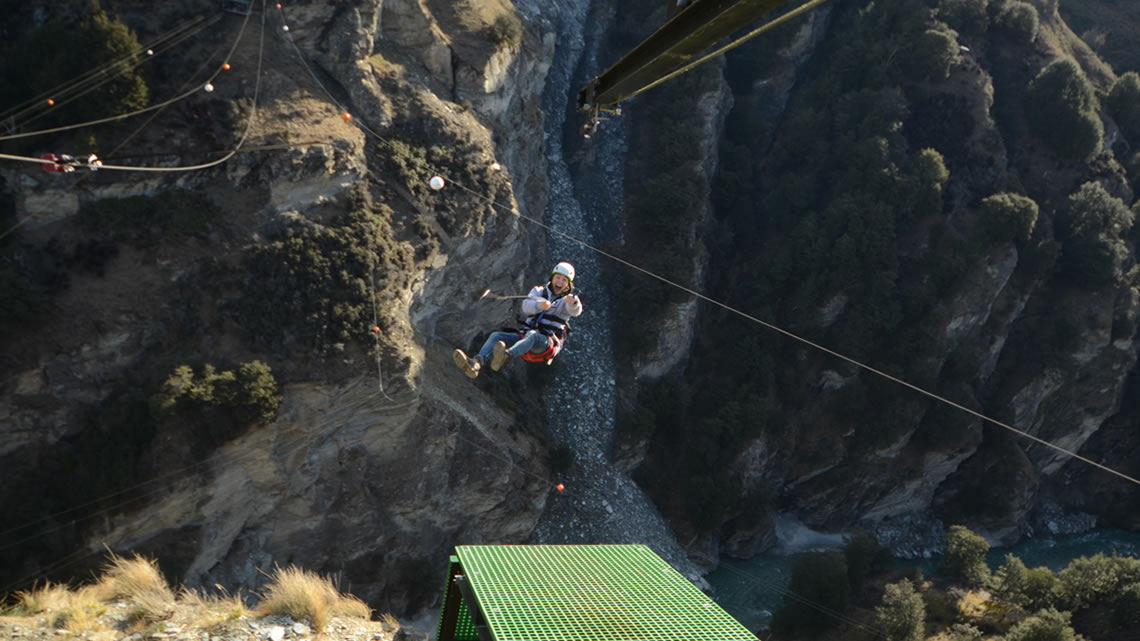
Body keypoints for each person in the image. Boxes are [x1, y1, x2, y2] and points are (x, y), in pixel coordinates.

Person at [454, 262, 583, 378]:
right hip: (525, 339)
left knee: (533, 335)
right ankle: (476, 363)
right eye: (558, 277)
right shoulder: (538, 291)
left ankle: (506, 356)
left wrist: (573, 303)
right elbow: (526, 307)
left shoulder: (567, 300)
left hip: (546, 343)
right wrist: (540, 305)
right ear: (552, 278)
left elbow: (576, 311)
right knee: (496, 336)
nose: (560, 282)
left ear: (568, 285)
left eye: (564, 280)